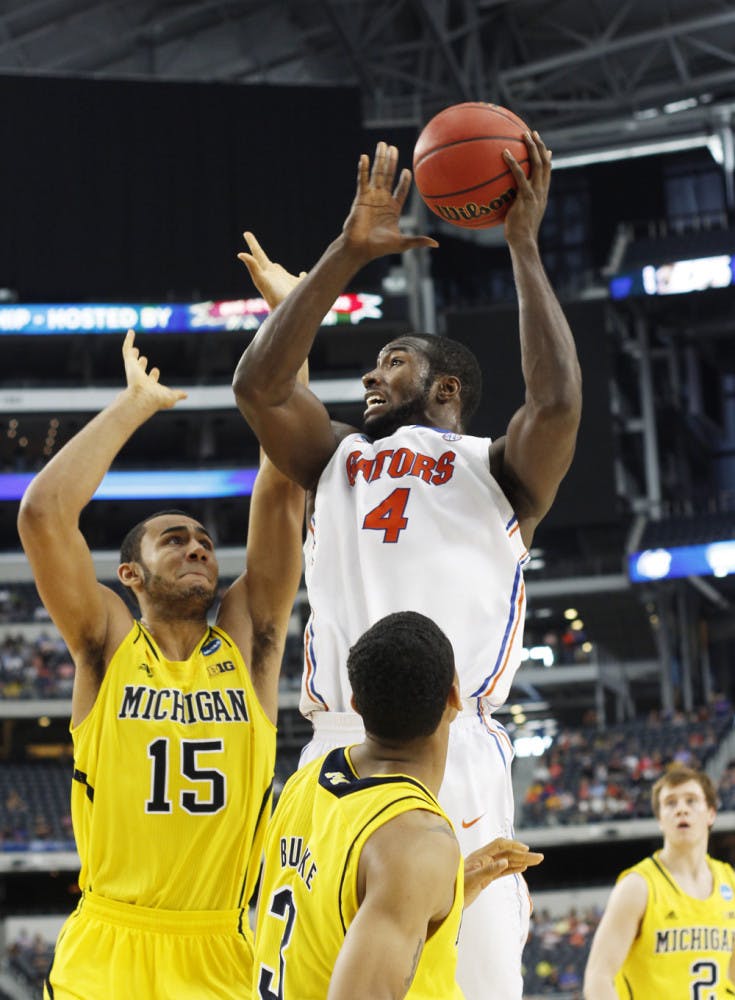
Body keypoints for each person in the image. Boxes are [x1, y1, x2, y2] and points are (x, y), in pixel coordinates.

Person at [234, 135, 581, 1000]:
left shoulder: (497, 470)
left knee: (475, 983)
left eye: (394, 360)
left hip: (446, 746)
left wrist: (522, 246)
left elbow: (559, 401)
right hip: (335, 745)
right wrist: (346, 253)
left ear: (448, 389)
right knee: (315, 977)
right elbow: (260, 388)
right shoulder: (335, 459)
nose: (372, 374)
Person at [17, 331, 305, 999]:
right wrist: (135, 403)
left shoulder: (247, 641)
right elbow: (43, 514)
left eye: (204, 541)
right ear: (130, 576)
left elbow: (284, 485)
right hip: (108, 946)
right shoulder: (108, 642)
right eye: (172, 541)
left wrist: (292, 326)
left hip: (220, 947)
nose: (196, 549)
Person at [252, 610, 543, 1000]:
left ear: (356, 703)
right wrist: (420, 876)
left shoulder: (305, 781)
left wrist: (445, 895)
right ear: (455, 696)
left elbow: (329, 913)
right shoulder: (416, 844)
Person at [583, 763, 735, 999]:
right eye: (670, 803)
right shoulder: (638, 886)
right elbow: (598, 977)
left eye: (691, 800)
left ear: (711, 813)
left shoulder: (731, 882)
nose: (681, 810)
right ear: (660, 819)